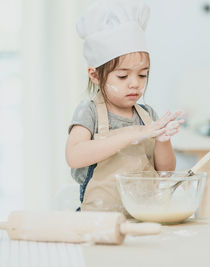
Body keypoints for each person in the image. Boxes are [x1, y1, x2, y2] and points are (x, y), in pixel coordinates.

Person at [66, 0, 184, 212]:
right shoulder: (89, 111)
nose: (134, 83)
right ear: (94, 75)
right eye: (122, 76)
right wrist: (134, 134)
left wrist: (162, 141)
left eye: (142, 75)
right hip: (98, 219)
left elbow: (165, 170)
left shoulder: (147, 116)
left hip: (145, 214)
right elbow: (74, 156)